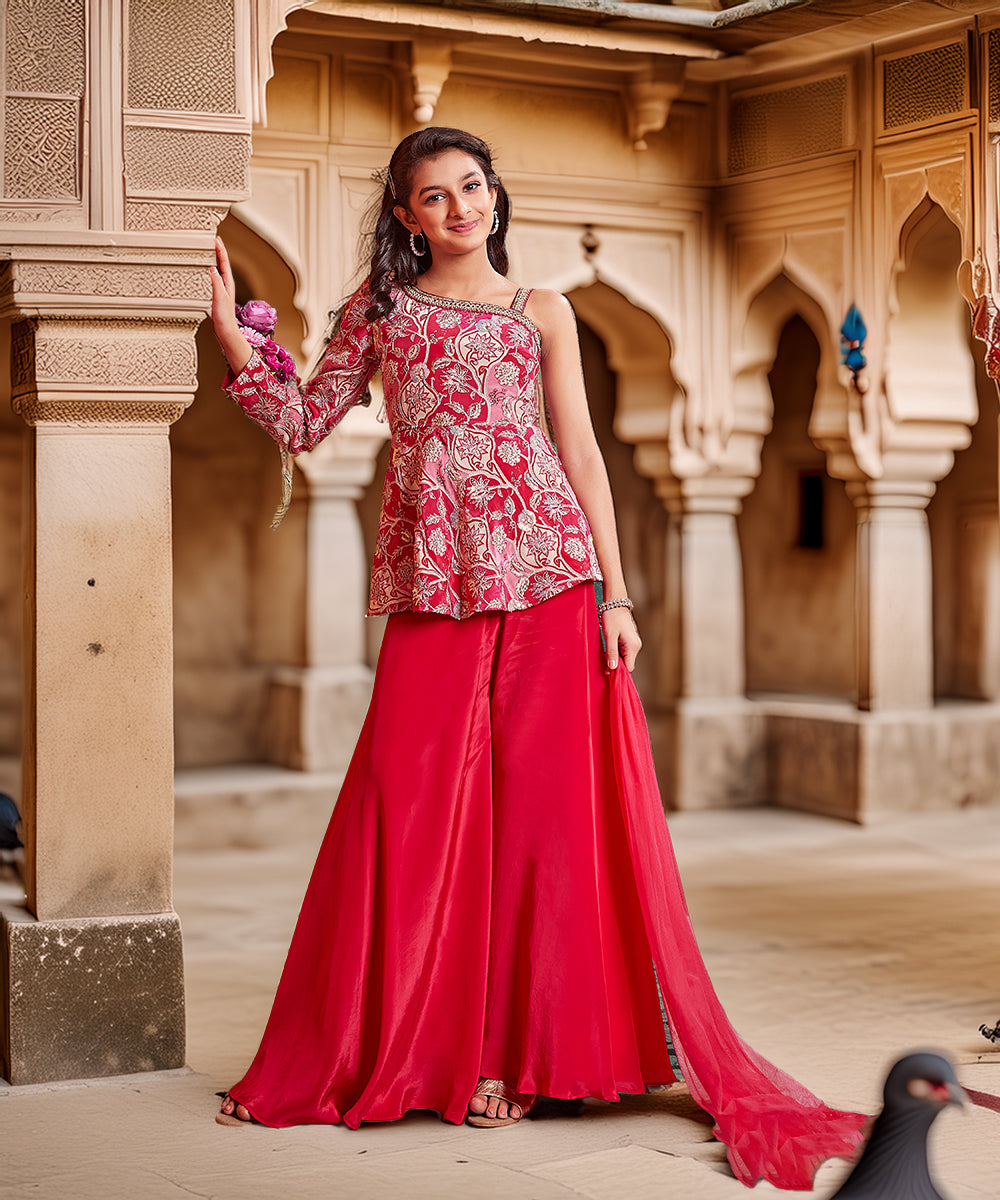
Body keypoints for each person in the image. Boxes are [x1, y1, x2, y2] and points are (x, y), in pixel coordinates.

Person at [209, 126, 866, 1188]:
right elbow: (303, 420)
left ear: (494, 196)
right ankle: (401, 1046)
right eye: (435, 196)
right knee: (404, 803)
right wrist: (232, 336)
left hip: (555, 582)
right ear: (406, 216)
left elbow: (582, 453)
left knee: (540, 821)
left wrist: (617, 592)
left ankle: (514, 1061)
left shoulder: (541, 310)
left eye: (472, 186)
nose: (460, 207)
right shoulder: (379, 314)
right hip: (437, 584)